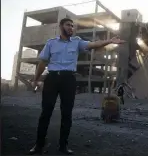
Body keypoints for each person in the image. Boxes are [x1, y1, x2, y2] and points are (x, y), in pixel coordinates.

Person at [28, 18, 125, 155]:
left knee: (66, 113)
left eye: (72, 26)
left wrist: (109, 41)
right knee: (46, 113)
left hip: (69, 79)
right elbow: (43, 62)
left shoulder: (77, 42)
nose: (71, 28)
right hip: (52, 78)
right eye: (68, 25)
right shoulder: (51, 43)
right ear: (61, 26)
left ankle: (63, 146)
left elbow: (93, 44)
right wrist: (36, 80)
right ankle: (39, 145)